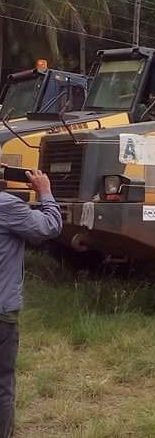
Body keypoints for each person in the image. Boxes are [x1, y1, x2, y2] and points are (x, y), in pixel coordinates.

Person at [0, 169, 62, 437]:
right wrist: (45, 192)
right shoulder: (6, 205)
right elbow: (50, 226)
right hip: (2, 312)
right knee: (2, 382)